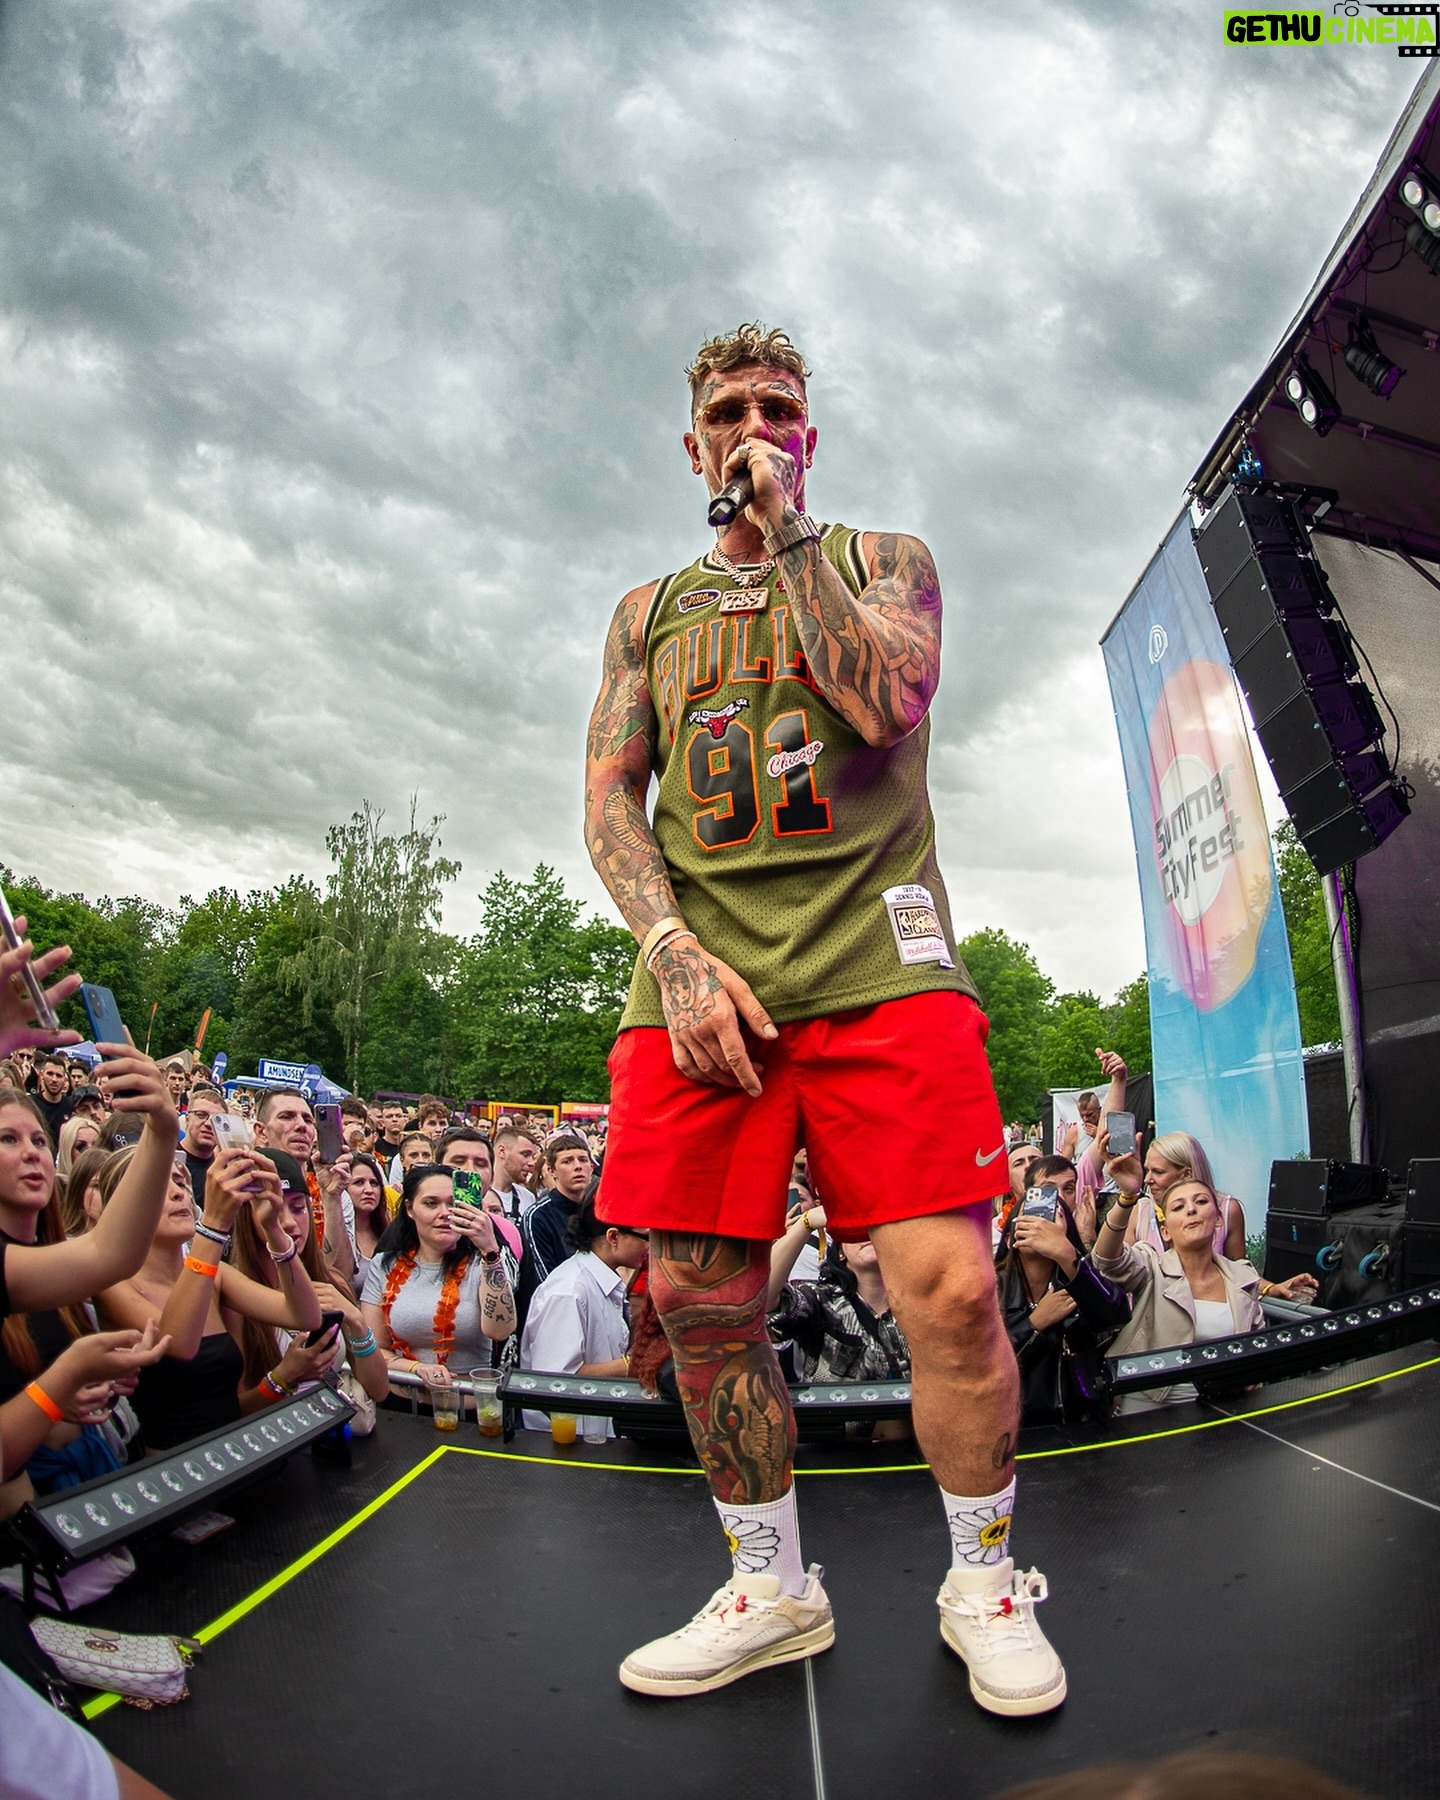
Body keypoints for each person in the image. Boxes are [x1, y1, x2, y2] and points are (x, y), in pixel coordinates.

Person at [585, 322, 1062, 1712]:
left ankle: (984, 1580)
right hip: (702, 986)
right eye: (727, 410)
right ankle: (772, 1586)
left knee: (952, 1288)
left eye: (777, 408)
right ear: (690, 446)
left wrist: (786, 530)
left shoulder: (881, 558)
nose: (752, 425)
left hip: (880, 966)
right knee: (698, 1301)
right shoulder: (645, 612)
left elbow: (889, 696)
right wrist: (669, 948)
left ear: (808, 435)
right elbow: (611, 797)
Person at [96, 1147, 323, 1450]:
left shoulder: (216, 1277)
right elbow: (178, 1344)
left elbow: (305, 1316)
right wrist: (213, 1225)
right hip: (172, 1468)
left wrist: (273, 1229)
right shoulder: (113, 1285)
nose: (178, 1193)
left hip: (238, 1456)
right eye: (159, 1184)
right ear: (123, 1205)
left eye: (180, 1181)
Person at [1093, 1161, 1316, 1413]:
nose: (1191, 1210)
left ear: (1218, 1219)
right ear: (1165, 1232)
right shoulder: (1151, 1266)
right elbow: (1105, 1259)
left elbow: (1256, 1347)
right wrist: (1126, 1198)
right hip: (1148, 1401)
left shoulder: (1242, 1277)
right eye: (1178, 1207)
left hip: (1221, 1407)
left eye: (1200, 1202)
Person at [229, 1150, 390, 1415]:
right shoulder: (234, 1295)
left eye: (298, 1208)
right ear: (248, 1217)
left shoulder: (330, 1281)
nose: (289, 1223)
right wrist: (284, 1377)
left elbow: (379, 1390)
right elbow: (232, 1412)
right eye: (274, 1210)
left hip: (332, 1434)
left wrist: (357, 1323)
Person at [360, 1165, 516, 1400]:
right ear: (410, 1209)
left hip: (470, 1408)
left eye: (453, 1204)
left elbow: (500, 1330)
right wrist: (417, 1369)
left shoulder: (483, 1263)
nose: (445, 1213)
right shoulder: (384, 1264)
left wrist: (490, 1251)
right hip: (402, 1405)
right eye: (431, 1203)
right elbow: (374, 1348)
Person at [994, 1174, 1129, 1425]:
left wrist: (1068, 1256)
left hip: (1079, 1423)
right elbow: (983, 1365)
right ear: (1011, 1238)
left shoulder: (1081, 1279)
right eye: (1031, 1217)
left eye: (1052, 1216)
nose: (1041, 1225)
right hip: (1010, 1427)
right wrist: (1034, 1324)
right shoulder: (992, 1289)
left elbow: (1115, 1317)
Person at [518, 1190, 648, 1435]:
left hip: (598, 1432)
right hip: (568, 1441)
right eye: (646, 1238)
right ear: (613, 1237)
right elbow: (555, 1381)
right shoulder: (568, 1291)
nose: (650, 1247)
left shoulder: (601, 1280)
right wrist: (633, 1364)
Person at [766, 1203, 910, 1386]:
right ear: (840, 1252)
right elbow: (765, 1296)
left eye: (875, 1229)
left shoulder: (920, 1300)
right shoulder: (821, 1301)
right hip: (834, 1404)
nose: (866, 1236)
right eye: (855, 1232)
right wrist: (805, 1223)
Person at [1111, 1130, 1247, 1262]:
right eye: (1147, 1170)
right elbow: (1113, 1264)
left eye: (1158, 1172)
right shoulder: (1140, 1211)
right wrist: (1128, 1195)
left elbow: (1238, 1273)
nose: (1147, 1179)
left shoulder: (1227, 1209)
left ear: (1187, 1174)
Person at [516, 1131, 594, 1328]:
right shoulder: (537, 1216)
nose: (577, 1166)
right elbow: (544, 1276)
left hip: (595, 1309)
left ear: (592, 1167)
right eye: (567, 1161)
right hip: (556, 1315)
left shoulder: (598, 1211)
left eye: (583, 1160)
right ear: (551, 1171)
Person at [178, 1087, 225, 1210]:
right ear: (187, 1119)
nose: (209, 1123)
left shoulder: (225, 1170)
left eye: (217, 1119)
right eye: (201, 1115)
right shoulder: (166, 1161)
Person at [489, 1126, 540, 1221]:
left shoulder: (528, 1197)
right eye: (525, 1155)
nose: (531, 1163)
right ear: (502, 1151)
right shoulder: (478, 1194)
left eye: (532, 1157)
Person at [30, 1051, 74, 1147]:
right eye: (50, 1074)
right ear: (42, 1075)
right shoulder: (30, 1103)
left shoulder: (71, 1106)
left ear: (65, 1079)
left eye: (59, 1075)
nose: (54, 1079)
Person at [55, 1114, 100, 1180]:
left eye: (97, 1146)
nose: (90, 1152)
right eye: (81, 1147)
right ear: (67, 1152)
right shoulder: (55, 1185)